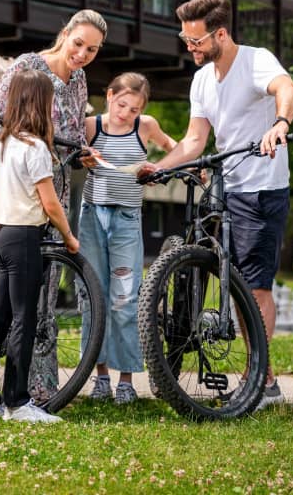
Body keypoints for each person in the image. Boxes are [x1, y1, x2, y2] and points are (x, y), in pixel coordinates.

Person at [140, 0, 293, 410]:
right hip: (224, 187)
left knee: (254, 284)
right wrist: (159, 168)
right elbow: (195, 140)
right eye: (185, 39)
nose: (189, 47)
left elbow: (286, 88)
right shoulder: (202, 79)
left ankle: (261, 378)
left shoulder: (255, 60)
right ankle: (180, 352)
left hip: (261, 186)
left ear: (220, 33)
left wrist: (280, 122)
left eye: (195, 40)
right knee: (210, 269)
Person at [0, 8, 107, 401]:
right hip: (25, 197)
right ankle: (6, 391)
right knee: (20, 302)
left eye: (92, 49)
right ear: (65, 34)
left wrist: (83, 152)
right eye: (78, 43)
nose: (82, 54)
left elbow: (71, 133)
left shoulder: (80, 79)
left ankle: (39, 388)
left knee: (44, 296)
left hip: (56, 189)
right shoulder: (29, 66)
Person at [0, 70, 80, 423]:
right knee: (25, 318)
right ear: (41, 103)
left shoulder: (6, 143)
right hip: (24, 238)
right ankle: (18, 403)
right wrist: (68, 236)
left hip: (2, 235)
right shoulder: (35, 148)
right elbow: (51, 205)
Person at [79, 72, 176, 405]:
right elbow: (75, 157)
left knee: (124, 299)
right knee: (96, 297)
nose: (126, 114)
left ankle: (126, 380)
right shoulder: (92, 126)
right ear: (109, 96)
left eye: (134, 109)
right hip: (92, 216)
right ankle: (100, 377)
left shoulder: (145, 126)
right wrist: (84, 160)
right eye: (122, 105)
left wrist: (159, 167)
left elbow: (171, 147)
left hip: (126, 219)